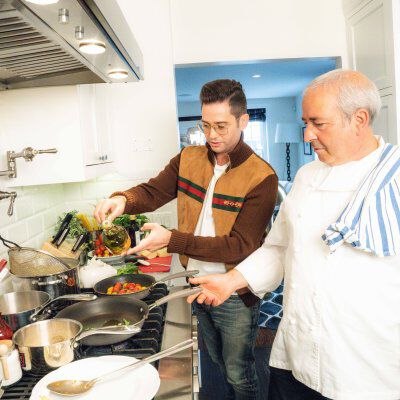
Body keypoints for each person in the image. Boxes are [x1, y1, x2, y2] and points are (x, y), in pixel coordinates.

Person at [187, 70, 400, 400]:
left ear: (359, 120)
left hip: (364, 370)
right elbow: (279, 248)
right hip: (295, 357)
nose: (307, 135)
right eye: (305, 122)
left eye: (319, 123)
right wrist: (231, 280)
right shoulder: (306, 176)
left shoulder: (393, 181)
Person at [94, 79, 278, 400]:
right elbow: (153, 191)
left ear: (243, 121)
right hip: (195, 282)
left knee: (239, 369)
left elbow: (240, 246)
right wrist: (123, 200)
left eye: (221, 126)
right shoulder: (188, 158)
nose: (212, 135)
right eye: (205, 125)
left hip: (233, 289)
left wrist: (173, 240)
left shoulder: (262, 177)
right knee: (217, 359)